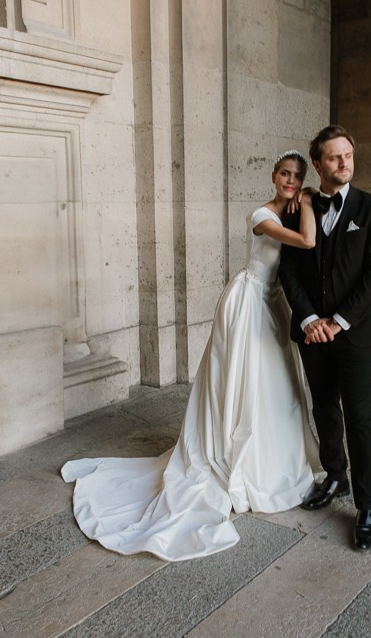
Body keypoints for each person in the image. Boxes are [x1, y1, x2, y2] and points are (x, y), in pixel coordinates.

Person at [61, 151, 321, 562]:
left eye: (297, 177)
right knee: (242, 380)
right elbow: (307, 241)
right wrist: (306, 200)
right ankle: (234, 458)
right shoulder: (261, 214)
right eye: (285, 175)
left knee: (277, 382)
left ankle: (273, 460)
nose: (290, 181)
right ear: (274, 176)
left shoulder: (288, 211)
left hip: (275, 302)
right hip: (248, 301)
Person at [278, 125, 371, 551]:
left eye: (348, 154)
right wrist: (309, 318)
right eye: (333, 157)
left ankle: (366, 507)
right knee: (324, 406)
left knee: (360, 416)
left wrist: (338, 320)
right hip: (313, 333)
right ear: (318, 163)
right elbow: (288, 269)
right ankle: (335, 476)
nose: (344, 163)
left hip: (356, 332)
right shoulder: (299, 209)